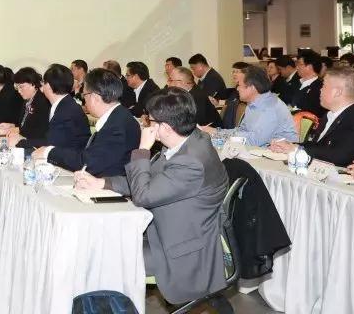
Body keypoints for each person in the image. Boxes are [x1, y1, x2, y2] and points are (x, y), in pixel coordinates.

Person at [76, 88, 229, 305]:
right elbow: (152, 180)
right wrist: (102, 183)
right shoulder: (190, 140)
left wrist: (142, 150)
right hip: (168, 232)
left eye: (150, 121)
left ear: (165, 127)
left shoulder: (190, 162)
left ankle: (113, 308)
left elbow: (143, 195)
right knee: (100, 244)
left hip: (179, 251)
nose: (147, 125)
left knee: (103, 258)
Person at [37, 67, 137, 177]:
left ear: (94, 97)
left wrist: (49, 152)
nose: (85, 101)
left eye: (84, 95)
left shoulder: (116, 127)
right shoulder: (119, 116)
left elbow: (88, 163)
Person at [270, 67, 354, 166]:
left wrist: (297, 149)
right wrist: (291, 145)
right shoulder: (330, 115)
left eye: (324, 86)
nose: (320, 90)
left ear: (337, 92)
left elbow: (340, 156)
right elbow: (318, 146)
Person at [203, 66, 297, 147]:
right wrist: (216, 132)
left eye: (239, 85)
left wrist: (218, 135)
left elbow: (254, 141)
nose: (237, 89)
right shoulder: (252, 104)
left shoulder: (271, 107)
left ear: (252, 88)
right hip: (259, 151)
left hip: (278, 156)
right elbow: (241, 131)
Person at [30, 65, 94, 172]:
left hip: (70, 168)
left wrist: (21, 142)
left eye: (43, 82)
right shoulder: (63, 104)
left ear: (48, 86)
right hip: (63, 160)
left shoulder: (67, 111)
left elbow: (51, 143)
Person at [2, 67, 50, 148]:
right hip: (24, 139)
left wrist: (19, 131)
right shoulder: (27, 100)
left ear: (33, 84)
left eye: (21, 87)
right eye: (17, 87)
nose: (19, 91)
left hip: (35, 145)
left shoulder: (43, 102)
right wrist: (12, 126)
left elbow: (40, 131)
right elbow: (25, 124)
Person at [292, 51, 326, 118]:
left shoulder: (319, 88)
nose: (297, 67)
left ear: (310, 66)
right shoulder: (298, 83)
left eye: (300, 64)